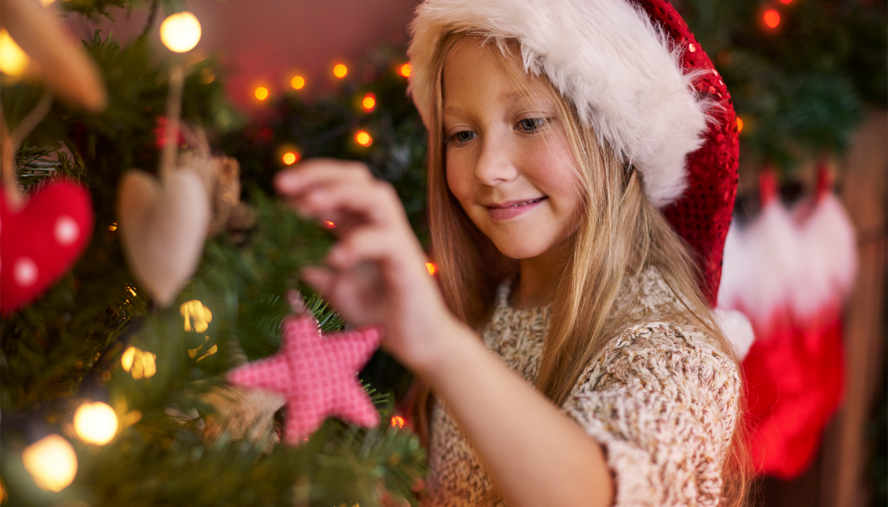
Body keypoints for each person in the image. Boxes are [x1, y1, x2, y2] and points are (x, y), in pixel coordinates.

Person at [275, 0, 749, 505]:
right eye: (462, 134)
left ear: (615, 140)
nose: (488, 169)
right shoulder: (488, 308)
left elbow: (608, 492)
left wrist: (436, 340)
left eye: (528, 122)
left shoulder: (676, 352)